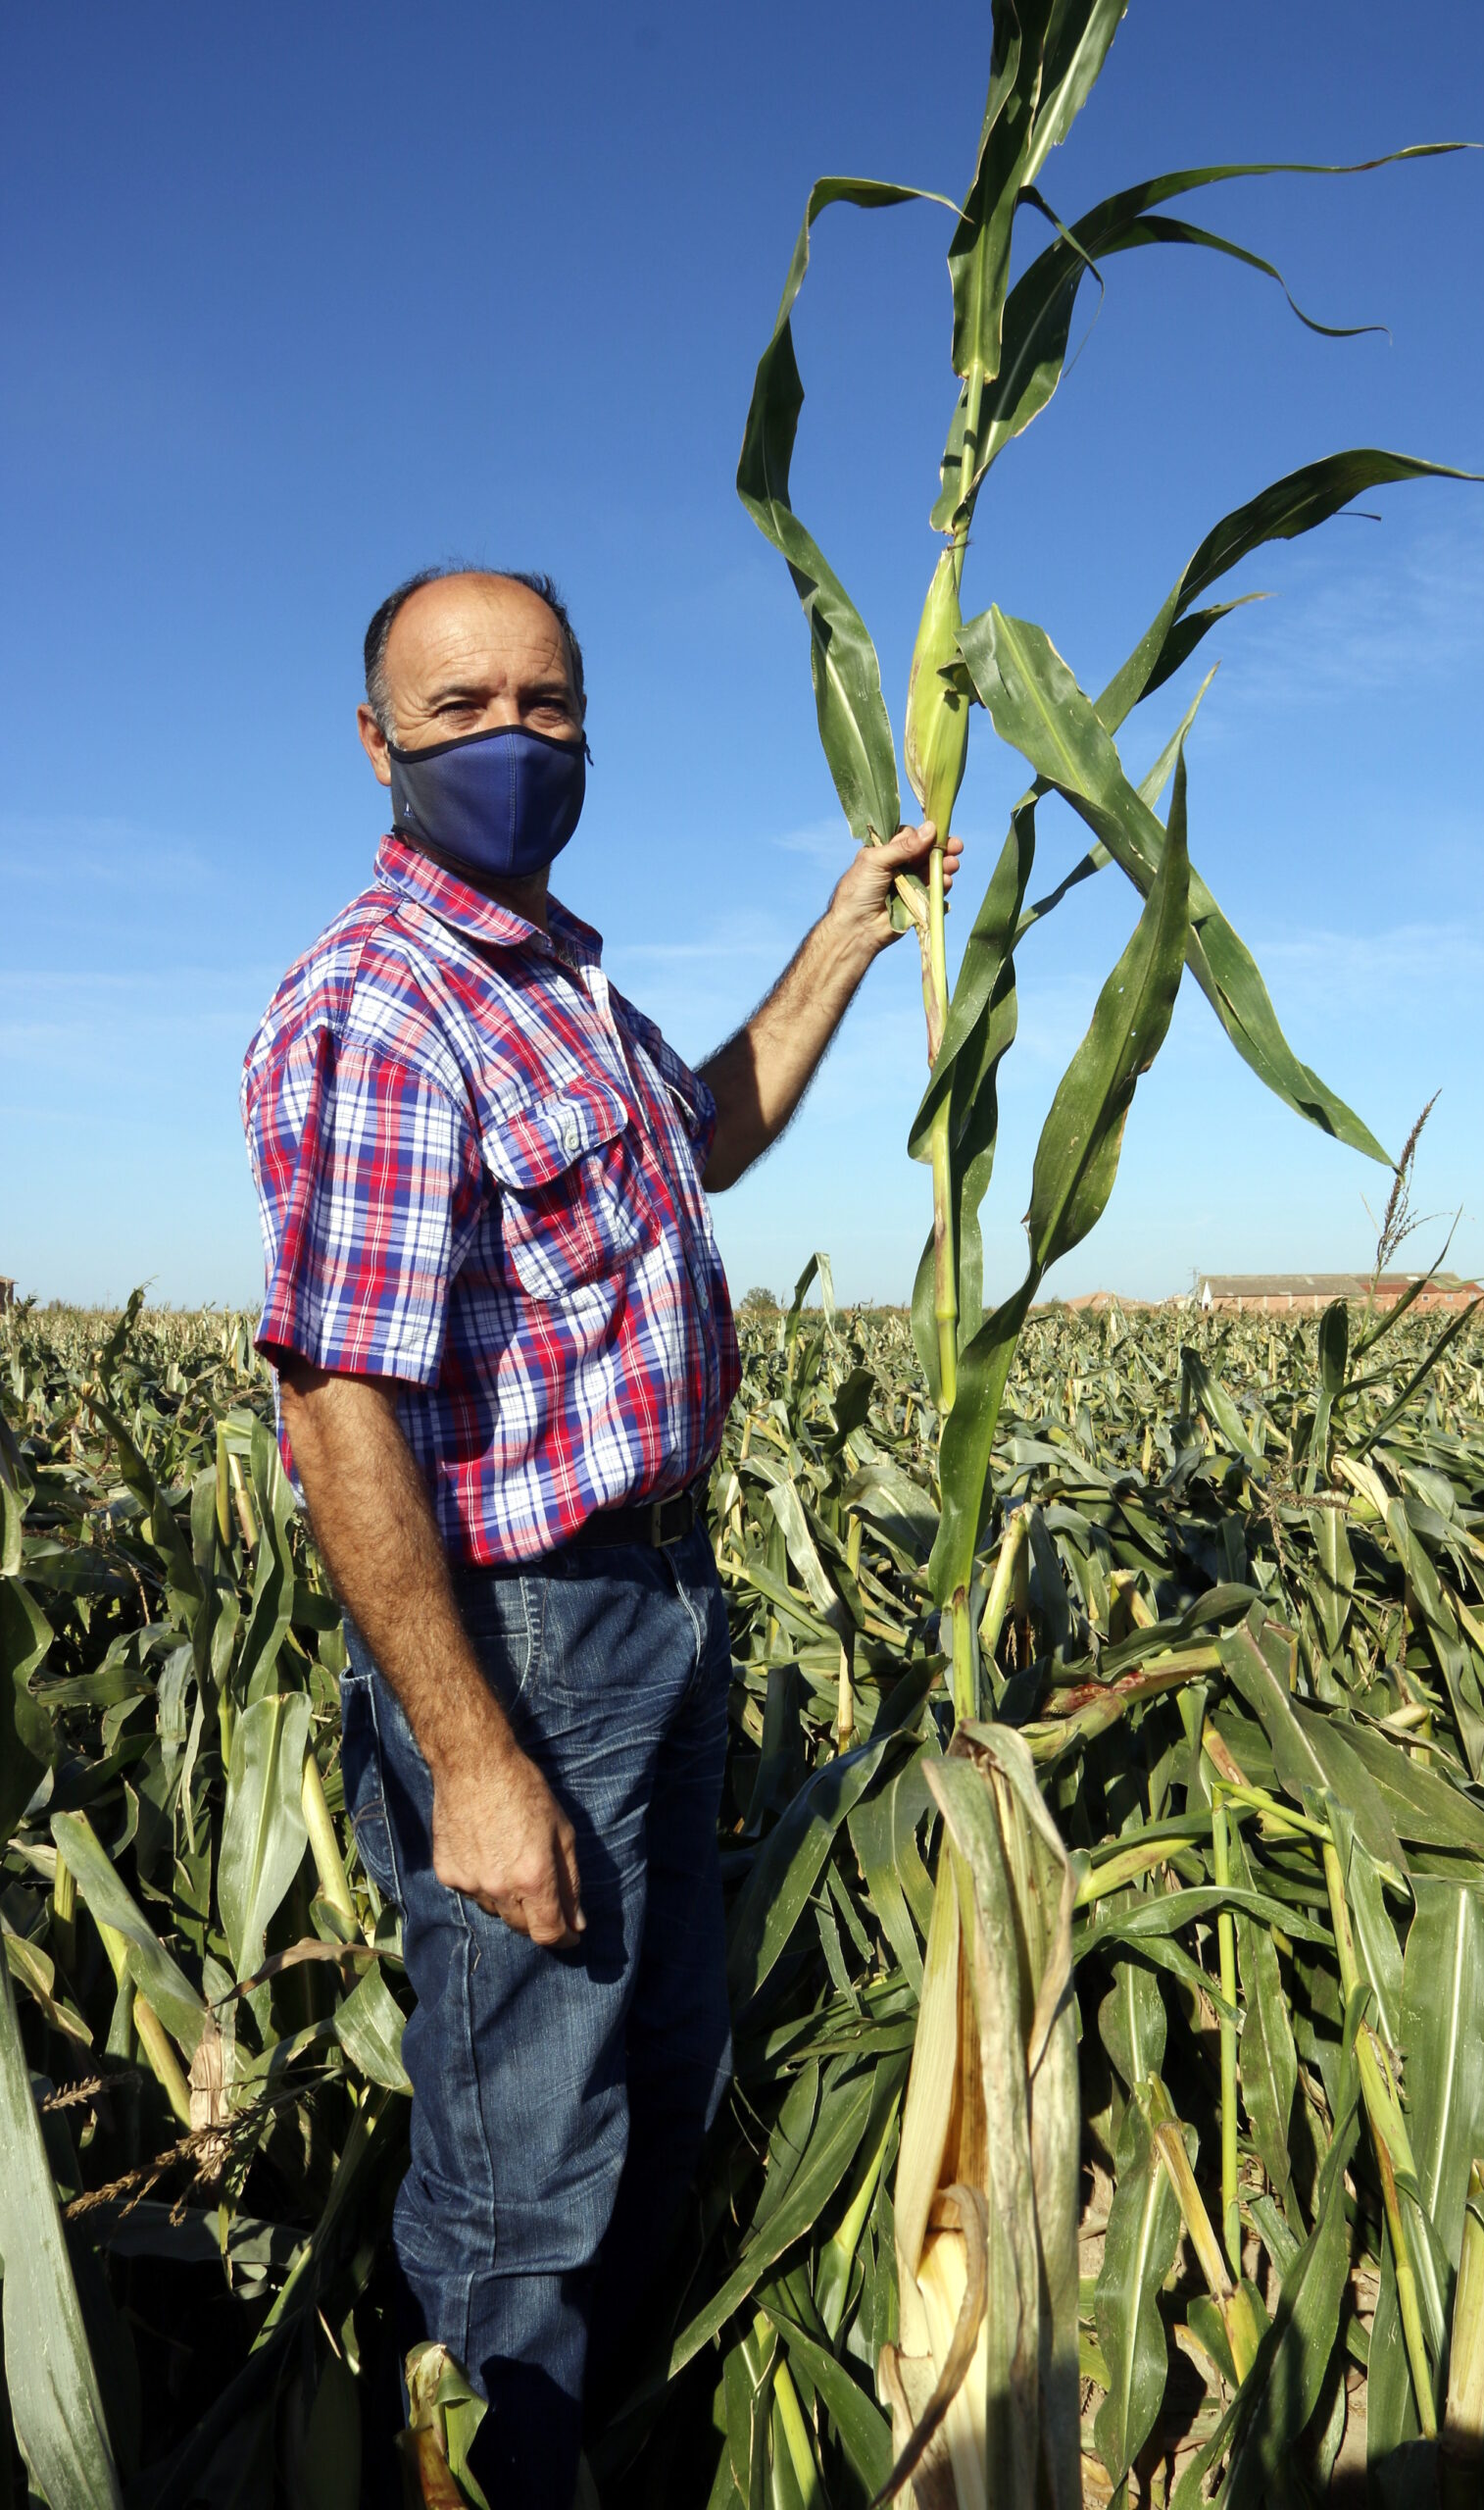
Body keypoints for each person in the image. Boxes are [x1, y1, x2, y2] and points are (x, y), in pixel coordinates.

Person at [240, 565, 959, 2503]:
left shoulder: (554, 975)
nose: (510, 738)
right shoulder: (381, 1008)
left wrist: (838, 937)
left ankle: (602, 2454)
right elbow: (338, 1402)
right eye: (459, 704)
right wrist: (473, 1758)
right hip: (522, 1631)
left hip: (655, 1592)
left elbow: (701, 1132)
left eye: (544, 703)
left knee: (664, 2076)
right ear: (374, 740)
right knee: (523, 2169)